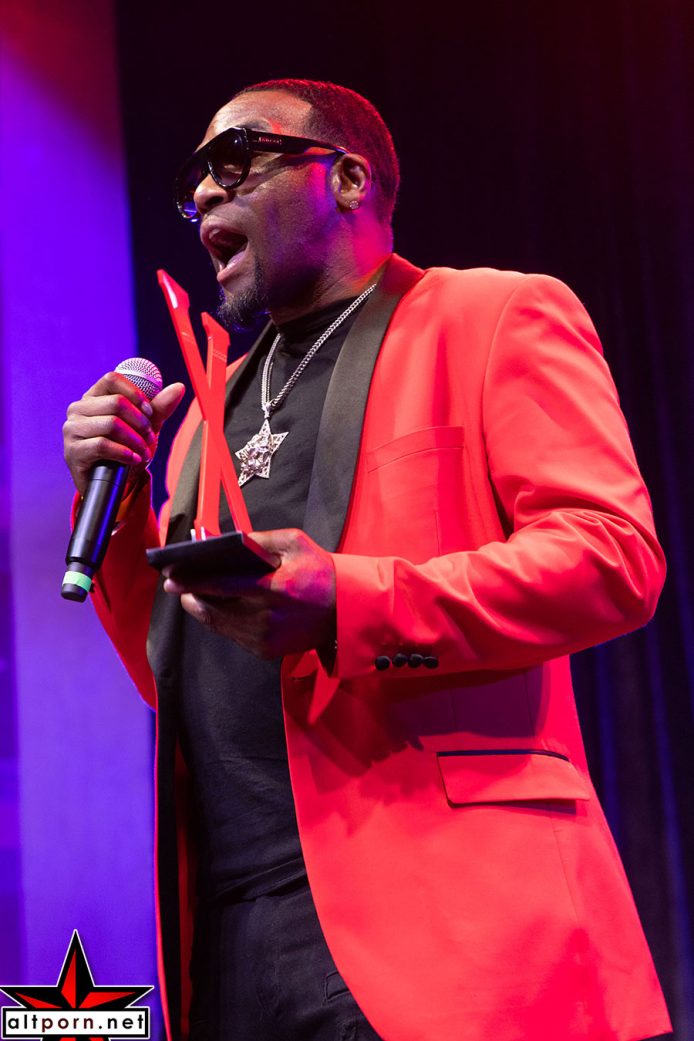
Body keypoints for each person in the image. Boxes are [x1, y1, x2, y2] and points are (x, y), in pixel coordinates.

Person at [63, 79, 672, 1041]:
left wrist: (352, 603)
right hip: (231, 934)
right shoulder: (203, 421)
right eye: (196, 183)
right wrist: (122, 497)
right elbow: (181, 672)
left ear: (346, 179)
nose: (207, 193)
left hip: (450, 923)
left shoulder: (491, 315)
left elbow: (612, 557)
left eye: (236, 161)